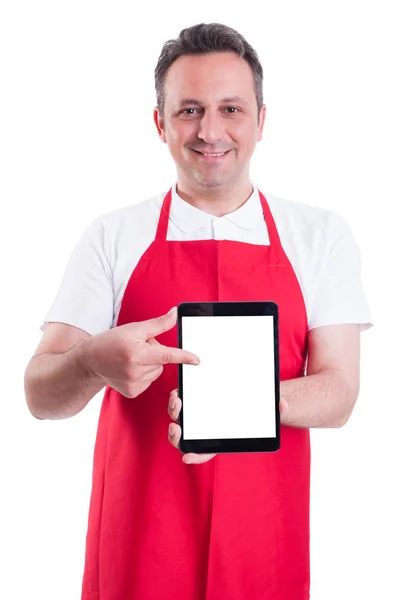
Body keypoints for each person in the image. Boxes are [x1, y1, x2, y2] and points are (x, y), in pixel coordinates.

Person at [24, 22, 373, 600]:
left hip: (265, 547)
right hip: (138, 546)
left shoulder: (320, 236)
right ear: (160, 123)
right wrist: (88, 363)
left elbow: (339, 392)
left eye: (231, 108)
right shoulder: (112, 237)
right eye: (189, 110)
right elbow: (39, 395)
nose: (210, 130)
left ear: (261, 120)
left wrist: (236, 406)